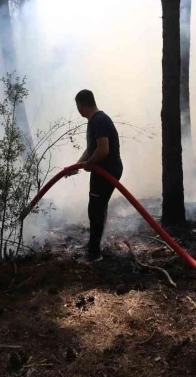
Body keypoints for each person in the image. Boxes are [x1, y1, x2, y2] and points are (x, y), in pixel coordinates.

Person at [73, 89, 124, 263]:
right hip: (103, 170)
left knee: (95, 209)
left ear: (81, 105)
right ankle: (94, 245)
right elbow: (92, 148)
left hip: (107, 171)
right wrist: (79, 164)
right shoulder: (95, 120)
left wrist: (89, 164)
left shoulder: (99, 121)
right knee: (97, 207)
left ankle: (94, 253)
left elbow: (103, 150)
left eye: (77, 106)